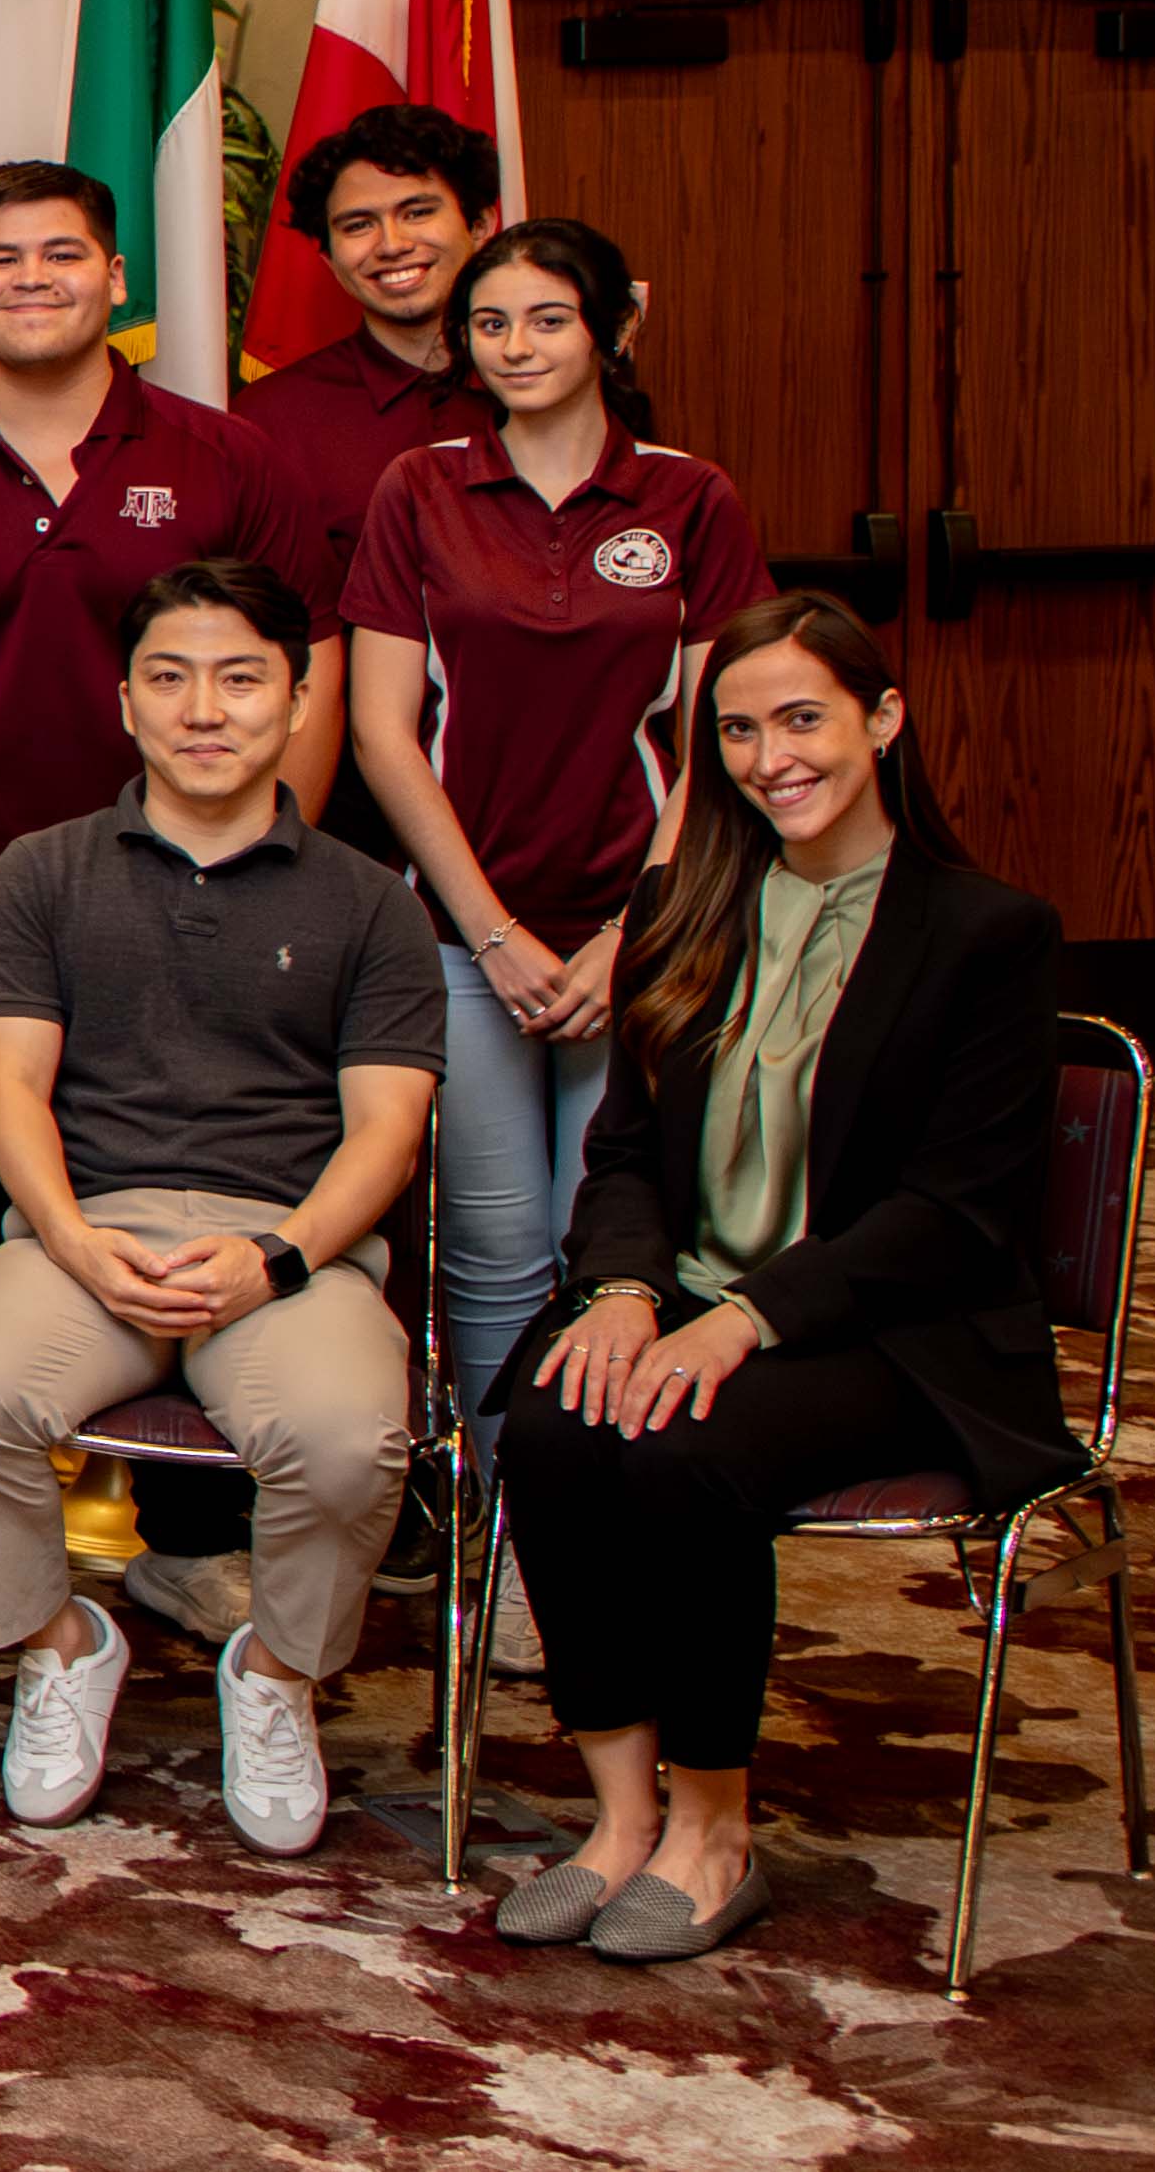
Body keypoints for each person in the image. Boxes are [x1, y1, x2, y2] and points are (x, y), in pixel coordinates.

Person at [494, 594, 1073, 1966]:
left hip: (893, 1325)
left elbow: (954, 1210)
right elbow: (626, 1149)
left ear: (883, 720)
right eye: (739, 728)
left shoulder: (987, 931)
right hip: (690, 1295)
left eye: (802, 717)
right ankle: (620, 1817)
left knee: (682, 1449)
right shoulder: (683, 900)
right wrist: (625, 1293)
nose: (771, 755)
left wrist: (749, 1319)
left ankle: (712, 1826)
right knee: (552, 1424)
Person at [0, 560, 440, 1851]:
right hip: (82, 1221)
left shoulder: (371, 901)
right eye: (170, 676)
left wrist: (279, 1253)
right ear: (125, 702)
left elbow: (387, 1129)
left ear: (300, 699)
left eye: (240, 675)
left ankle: (275, 1674)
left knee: (345, 1434)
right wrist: (76, 1239)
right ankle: (58, 1637)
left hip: (287, 1239)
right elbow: (11, 1093)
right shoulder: (42, 874)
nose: (203, 707)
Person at [349, 219, 772, 1519]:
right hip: (462, 937)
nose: (517, 345)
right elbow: (380, 726)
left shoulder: (689, 497)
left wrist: (625, 933)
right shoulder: (418, 487)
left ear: (609, 329)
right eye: (490, 323)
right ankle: (508, 1515)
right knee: (486, 1246)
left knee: (611, 1244)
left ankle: (596, 1507)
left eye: (546, 318)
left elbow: (718, 736)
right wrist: (490, 933)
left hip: (639, 941)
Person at [0, 159, 340, 937]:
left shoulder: (229, 459)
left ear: (115, 278)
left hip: (188, 908)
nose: (31, 278)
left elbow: (309, 672)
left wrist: (255, 881)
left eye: (62, 254)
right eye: (2, 258)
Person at [243, 100, 512, 656]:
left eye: (417, 212)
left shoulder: (555, 392)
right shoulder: (271, 420)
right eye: (358, 225)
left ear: (481, 224)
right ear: (327, 257)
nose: (391, 244)